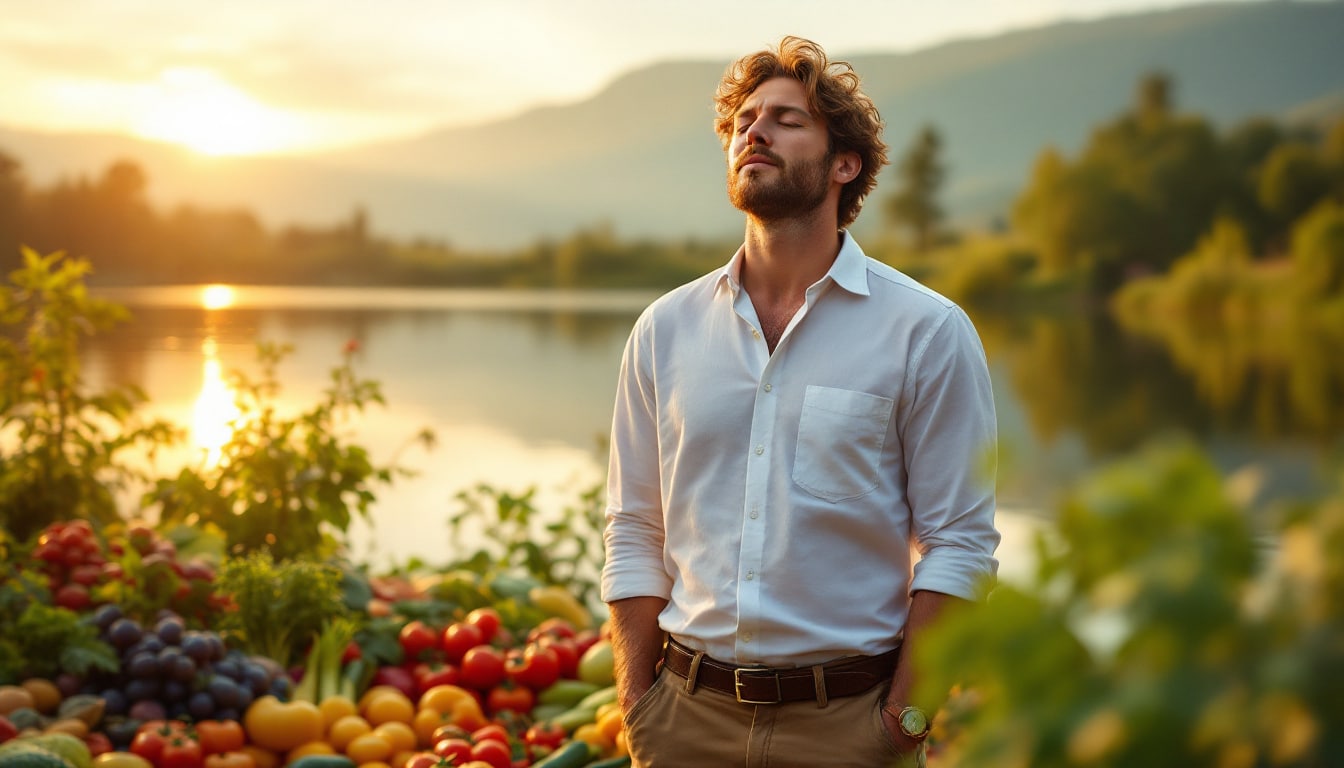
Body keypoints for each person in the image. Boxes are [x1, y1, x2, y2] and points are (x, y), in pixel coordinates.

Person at [600, 36, 999, 767]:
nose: (755, 130)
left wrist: (902, 722)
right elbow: (634, 526)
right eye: (745, 119)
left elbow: (960, 546)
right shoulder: (666, 329)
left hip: (849, 729)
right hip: (684, 722)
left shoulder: (927, 331)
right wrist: (638, 702)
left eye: (787, 119)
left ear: (844, 164)